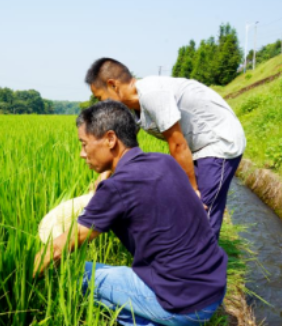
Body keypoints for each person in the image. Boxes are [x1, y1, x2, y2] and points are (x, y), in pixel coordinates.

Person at [34, 100, 227, 326]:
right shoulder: (164, 162)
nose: (82, 153)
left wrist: (20, 279)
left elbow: (61, 247)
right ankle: (165, 325)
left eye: (84, 144)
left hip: (184, 306)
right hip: (212, 291)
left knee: (71, 272)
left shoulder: (116, 189)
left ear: (110, 139)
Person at [84, 58, 246, 239]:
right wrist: (103, 178)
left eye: (100, 98)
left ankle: (205, 263)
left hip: (219, 141)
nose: (102, 105)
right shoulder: (130, 108)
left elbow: (177, 143)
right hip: (196, 146)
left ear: (113, 85)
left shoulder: (153, 94)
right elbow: (123, 145)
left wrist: (191, 191)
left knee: (201, 211)